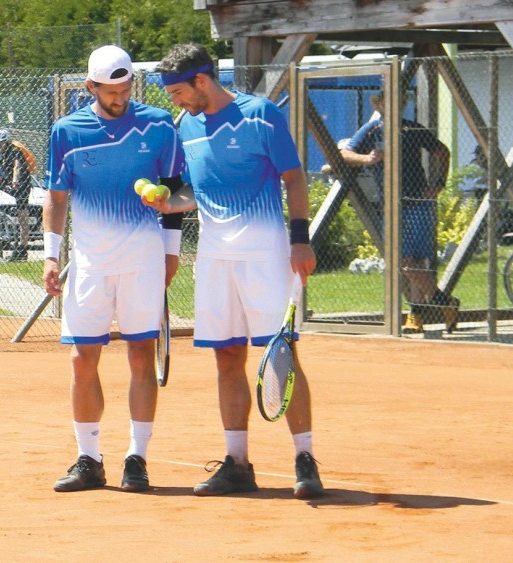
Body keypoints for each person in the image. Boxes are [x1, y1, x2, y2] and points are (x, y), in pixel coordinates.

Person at [153, 42, 323, 500]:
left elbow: (294, 177)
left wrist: (300, 239)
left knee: (280, 357)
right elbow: (197, 193)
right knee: (226, 356)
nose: (176, 100)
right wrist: (171, 202)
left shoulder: (261, 115)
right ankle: (238, 464)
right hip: (214, 259)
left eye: (178, 91)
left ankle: (304, 459)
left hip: (266, 255)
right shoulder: (184, 125)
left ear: (202, 81)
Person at [42, 45, 186, 493]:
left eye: (125, 89)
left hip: (143, 261)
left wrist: (171, 251)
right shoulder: (67, 131)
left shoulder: (159, 125)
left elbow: (177, 189)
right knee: (82, 359)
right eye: (111, 91)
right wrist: (51, 254)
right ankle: (89, 459)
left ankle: (136, 460)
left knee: (141, 355)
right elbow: (57, 196)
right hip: (89, 265)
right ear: (91, 88)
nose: (120, 97)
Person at [339, 91, 458, 334]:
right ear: (379, 104)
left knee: (417, 261)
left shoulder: (413, 129)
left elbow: (442, 152)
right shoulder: (372, 130)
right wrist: (367, 158)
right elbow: (344, 153)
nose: (391, 105)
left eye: (397, 101)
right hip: (391, 206)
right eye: (386, 101)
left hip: (418, 201)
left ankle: (416, 316)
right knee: (403, 263)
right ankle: (446, 303)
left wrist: (438, 184)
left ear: (402, 105)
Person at [0, 129, 33, 261]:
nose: (0, 145)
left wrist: (15, 181)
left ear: (7, 142)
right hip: (9, 181)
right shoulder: (0, 154)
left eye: (2, 142)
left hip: (22, 184)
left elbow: (17, 166)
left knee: (22, 214)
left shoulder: (14, 151)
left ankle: (23, 247)